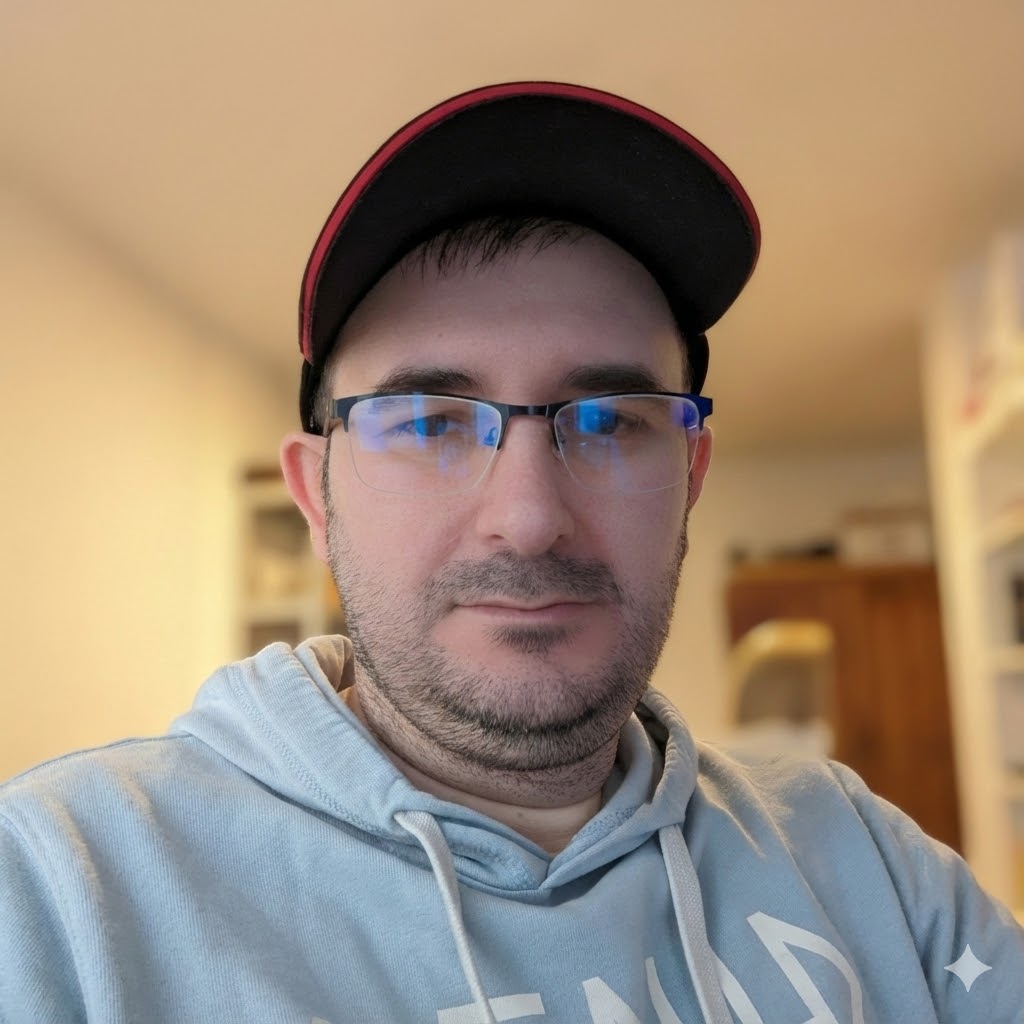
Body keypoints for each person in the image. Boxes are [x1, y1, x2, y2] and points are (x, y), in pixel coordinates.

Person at [1, 82, 1021, 1024]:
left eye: (611, 420)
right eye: (429, 421)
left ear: (691, 475)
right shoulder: (58, 893)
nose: (529, 518)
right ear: (317, 495)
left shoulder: (863, 860)